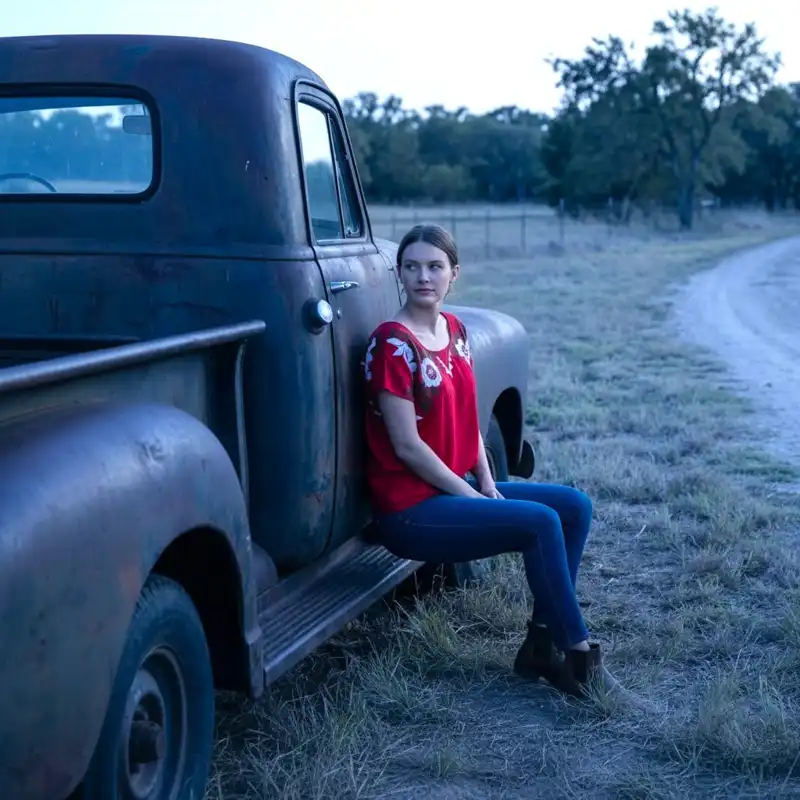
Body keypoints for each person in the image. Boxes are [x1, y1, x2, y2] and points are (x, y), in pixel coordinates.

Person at [362, 222, 621, 699]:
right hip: (410, 508)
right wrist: (469, 493)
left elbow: (470, 420)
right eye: (412, 267)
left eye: (435, 266)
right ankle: (579, 657)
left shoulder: (455, 330)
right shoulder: (392, 345)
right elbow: (406, 446)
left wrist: (486, 479)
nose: (423, 277)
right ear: (399, 273)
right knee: (541, 522)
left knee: (574, 507)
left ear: (454, 273)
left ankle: (540, 645)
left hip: (456, 490)